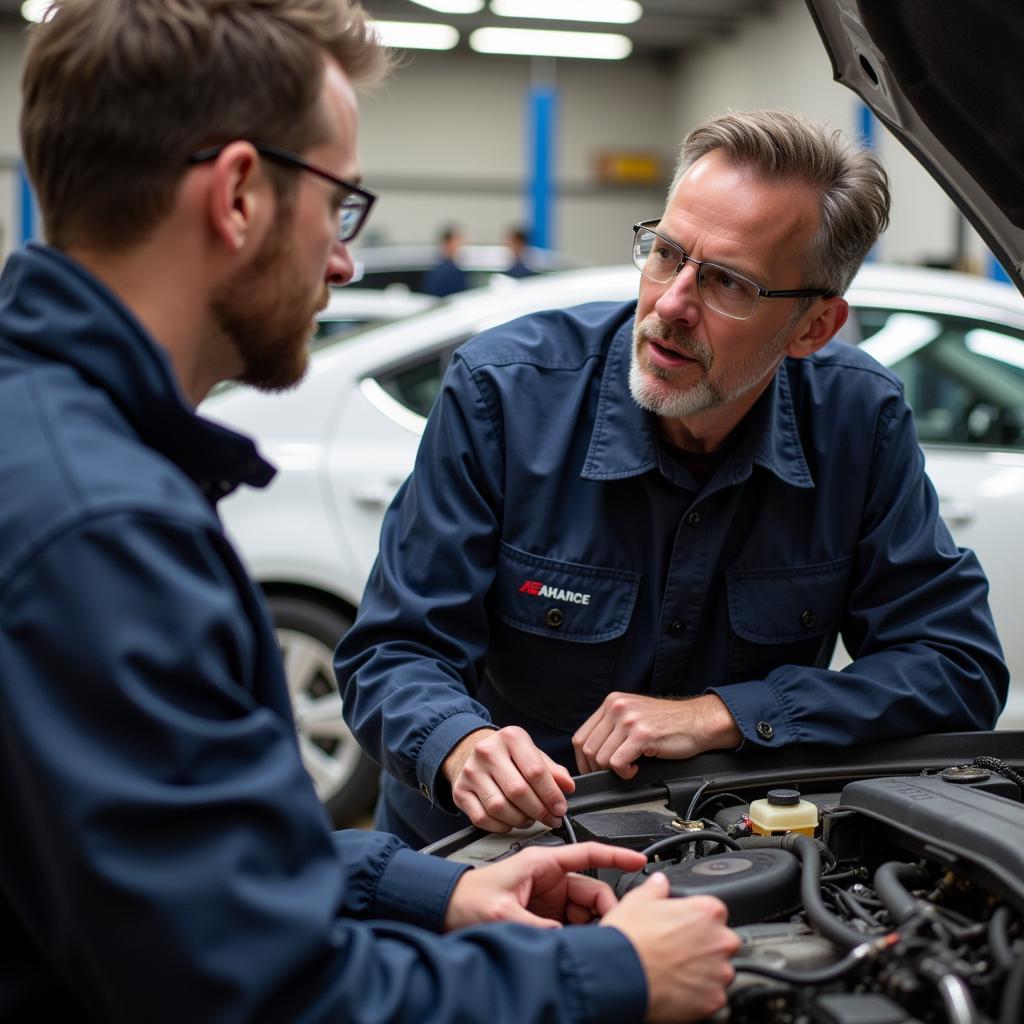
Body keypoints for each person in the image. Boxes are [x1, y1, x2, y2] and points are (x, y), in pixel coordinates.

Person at [0, 2, 741, 1021]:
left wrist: (425, 888)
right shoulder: (99, 529)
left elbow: (177, 866)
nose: (345, 261)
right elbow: (255, 994)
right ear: (240, 196)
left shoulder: (51, 445)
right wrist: (612, 973)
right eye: (340, 205)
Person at [337, 109, 1009, 849]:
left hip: (726, 861)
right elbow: (394, 651)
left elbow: (955, 666)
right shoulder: (504, 395)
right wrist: (459, 746)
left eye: (729, 283)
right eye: (666, 253)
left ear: (814, 327)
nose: (670, 305)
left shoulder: (858, 422)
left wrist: (723, 714)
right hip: (487, 856)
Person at [421, 223, 469, 296]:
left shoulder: (451, 267)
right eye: (456, 241)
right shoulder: (444, 270)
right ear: (447, 243)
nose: (459, 246)